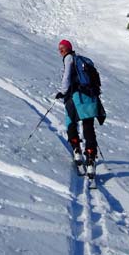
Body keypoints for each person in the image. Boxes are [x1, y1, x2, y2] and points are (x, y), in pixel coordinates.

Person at [55, 39, 99, 176]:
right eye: (59, 48)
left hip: (75, 97)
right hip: (89, 96)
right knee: (88, 125)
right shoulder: (80, 60)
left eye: (63, 47)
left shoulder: (69, 59)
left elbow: (67, 77)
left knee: (70, 121)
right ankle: (91, 158)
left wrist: (62, 92)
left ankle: (77, 150)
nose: (61, 50)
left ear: (69, 48)